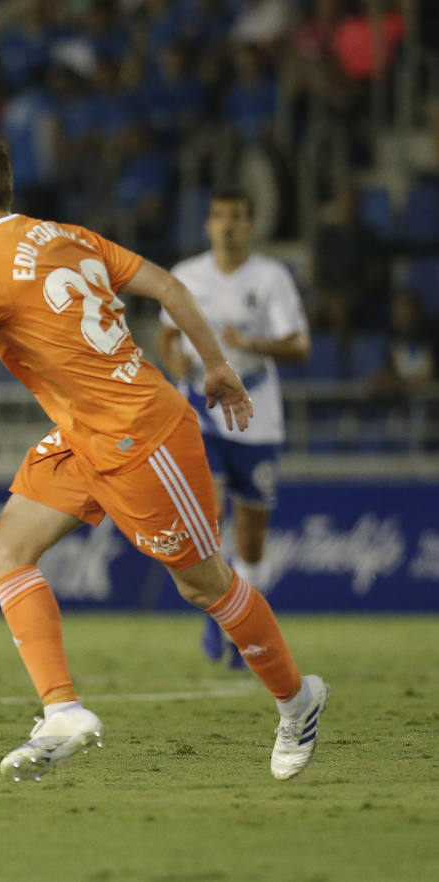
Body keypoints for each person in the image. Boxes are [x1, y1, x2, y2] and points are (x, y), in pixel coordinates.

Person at [0, 130, 328, 783]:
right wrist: (219, 367)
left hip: (143, 434)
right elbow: (170, 287)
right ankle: (61, 712)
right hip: (86, 433)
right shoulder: (67, 235)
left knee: (202, 582)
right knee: (5, 551)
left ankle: (296, 699)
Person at [158, 188, 310, 667]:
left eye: (238, 217)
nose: (228, 225)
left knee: (251, 536)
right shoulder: (187, 275)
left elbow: (300, 346)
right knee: (209, 515)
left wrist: (253, 343)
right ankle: (219, 618)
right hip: (202, 410)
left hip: (258, 413)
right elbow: (165, 332)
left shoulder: (270, 277)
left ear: (250, 224)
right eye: (220, 216)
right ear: (208, 224)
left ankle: (244, 628)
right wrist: (173, 359)